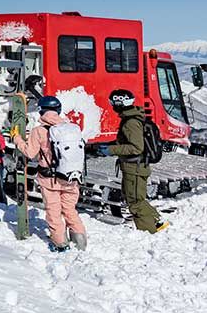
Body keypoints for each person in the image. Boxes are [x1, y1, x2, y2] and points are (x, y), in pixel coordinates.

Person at [11, 96, 88, 251]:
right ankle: (80, 240)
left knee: (53, 211)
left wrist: (17, 138)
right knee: (69, 209)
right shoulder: (71, 129)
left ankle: (60, 243)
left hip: (50, 180)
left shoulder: (38, 131)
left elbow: (30, 153)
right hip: (71, 177)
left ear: (41, 111)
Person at [103, 89, 168, 234]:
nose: (112, 105)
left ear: (120, 103)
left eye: (113, 102)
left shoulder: (131, 122)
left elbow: (136, 147)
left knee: (135, 202)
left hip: (135, 167)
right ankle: (157, 224)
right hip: (135, 166)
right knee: (135, 198)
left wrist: (112, 150)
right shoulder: (132, 118)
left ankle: (151, 232)